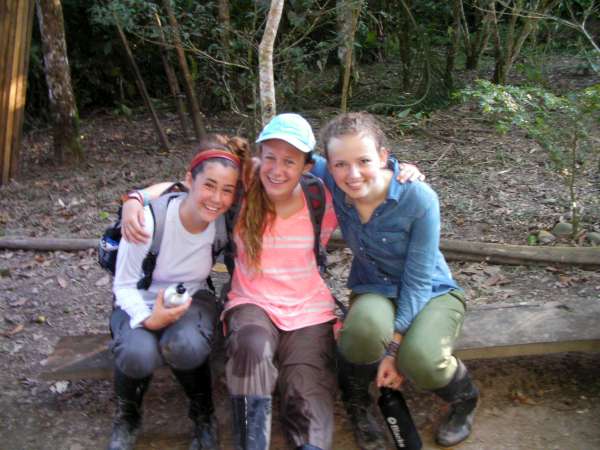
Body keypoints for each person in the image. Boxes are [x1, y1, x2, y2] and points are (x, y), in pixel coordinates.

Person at [120, 114, 424, 450]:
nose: (277, 170)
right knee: (251, 347)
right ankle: (252, 440)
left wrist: (397, 169)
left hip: (308, 305)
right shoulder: (244, 185)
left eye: (289, 161)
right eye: (270, 158)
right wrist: (136, 198)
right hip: (250, 300)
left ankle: (310, 444)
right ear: (259, 157)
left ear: (307, 166)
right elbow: (192, 183)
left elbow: (364, 174)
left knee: (306, 376)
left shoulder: (321, 194)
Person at [312, 112, 478, 448]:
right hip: (374, 287)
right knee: (362, 330)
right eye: (341, 164)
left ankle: (464, 398)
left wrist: (393, 350)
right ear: (329, 164)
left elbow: (418, 280)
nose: (352, 174)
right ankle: (357, 403)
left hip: (432, 291)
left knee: (419, 358)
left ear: (383, 157)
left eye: (364, 161)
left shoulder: (417, 198)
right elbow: (283, 155)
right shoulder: (329, 176)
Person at [108, 134, 250, 450]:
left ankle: (203, 415)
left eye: (227, 190)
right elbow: (124, 285)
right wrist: (149, 319)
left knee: (184, 345)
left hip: (192, 298)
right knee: (138, 353)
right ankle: (128, 416)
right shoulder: (149, 220)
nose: (217, 198)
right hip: (139, 298)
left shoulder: (223, 221)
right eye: (209, 185)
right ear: (188, 180)